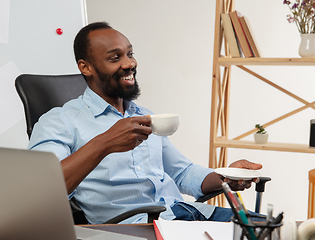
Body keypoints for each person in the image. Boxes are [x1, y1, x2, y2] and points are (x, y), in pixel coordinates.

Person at [28, 21, 262, 224]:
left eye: (130, 54)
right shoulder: (59, 121)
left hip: (185, 214)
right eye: (114, 58)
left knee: (269, 229)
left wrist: (226, 176)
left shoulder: (143, 115)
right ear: (85, 67)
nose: (129, 64)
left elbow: (182, 173)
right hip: (134, 227)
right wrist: (105, 143)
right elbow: (42, 191)